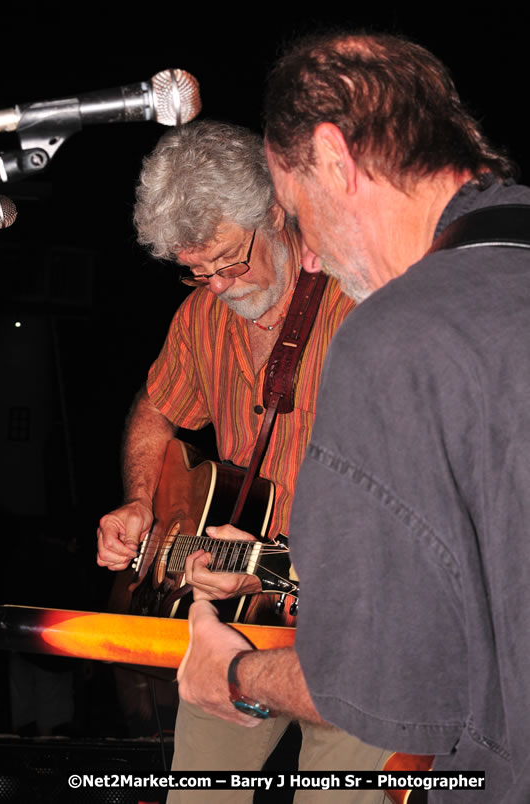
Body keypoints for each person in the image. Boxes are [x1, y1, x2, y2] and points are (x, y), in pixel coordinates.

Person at [177, 32, 530, 803]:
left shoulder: (397, 336)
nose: (306, 259)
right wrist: (271, 565)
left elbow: (398, 687)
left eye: (296, 213)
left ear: (335, 161)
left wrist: (230, 671)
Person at [96, 119, 392, 803]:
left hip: (349, 618)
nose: (220, 284)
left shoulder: (364, 301)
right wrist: (141, 502)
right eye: (195, 271)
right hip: (232, 615)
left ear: (276, 212)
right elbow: (154, 409)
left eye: (231, 260)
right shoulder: (201, 318)